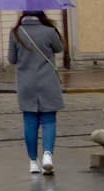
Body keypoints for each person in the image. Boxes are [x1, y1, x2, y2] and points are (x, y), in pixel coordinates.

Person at [9, 10, 64, 174]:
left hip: (26, 84)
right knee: (49, 120)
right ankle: (48, 155)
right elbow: (59, 48)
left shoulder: (16, 33)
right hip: (48, 82)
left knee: (30, 122)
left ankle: (33, 161)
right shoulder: (49, 31)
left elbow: (12, 59)